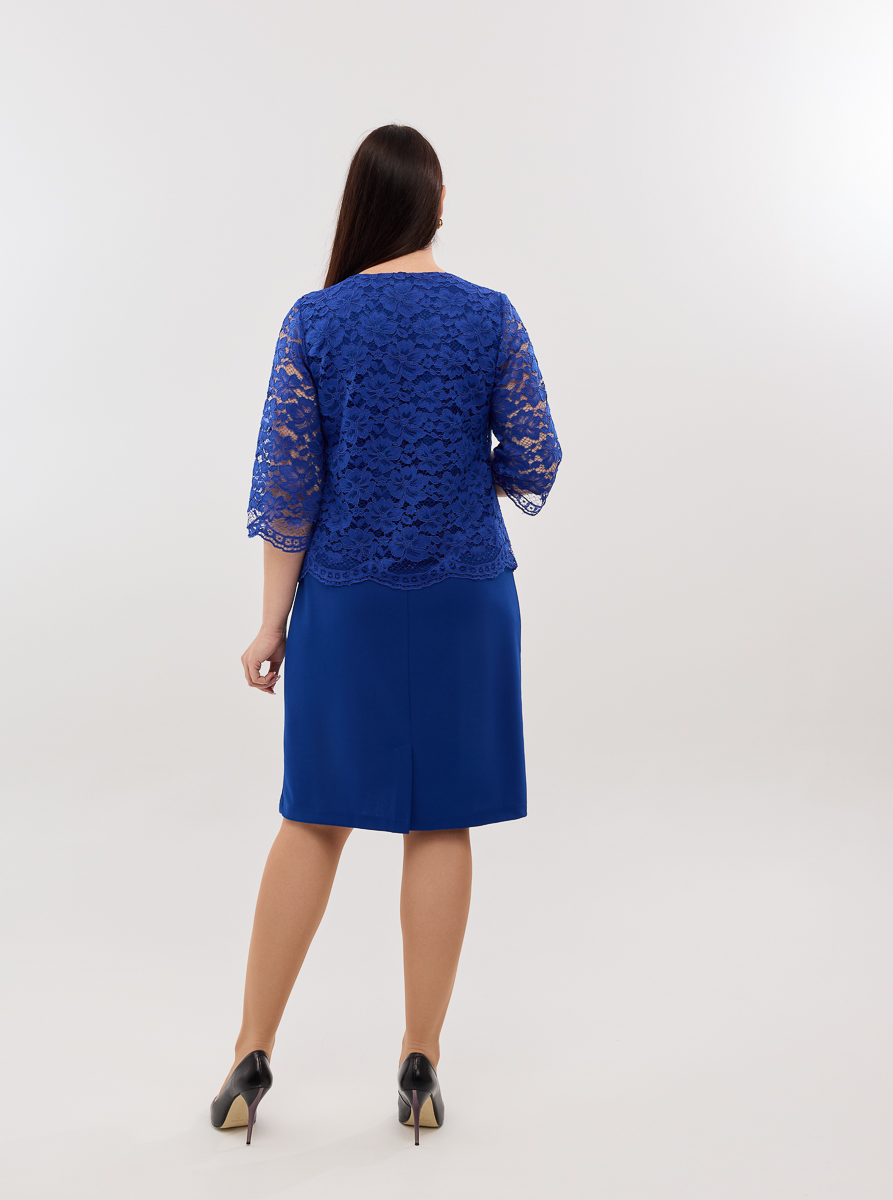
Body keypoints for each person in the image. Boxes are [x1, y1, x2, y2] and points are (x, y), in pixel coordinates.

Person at [210, 123, 563, 1147]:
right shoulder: (489, 316)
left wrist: (270, 624)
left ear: (360, 206)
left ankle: (250, 1053)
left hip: (347, 602)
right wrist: (460, 466)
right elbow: (536, 457)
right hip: (464, 597)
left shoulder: (315, 322)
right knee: (439, 822)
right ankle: (420, 1063)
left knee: (313, 816)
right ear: (437, 205)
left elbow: (288, 488)